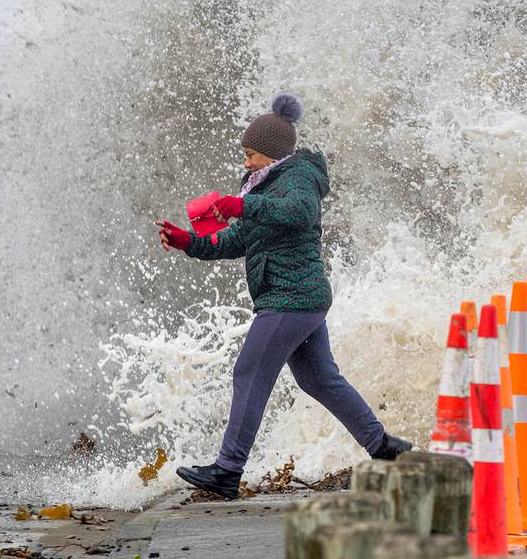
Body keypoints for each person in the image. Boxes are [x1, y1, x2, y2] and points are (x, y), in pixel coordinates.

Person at [155, 92, 412, 499]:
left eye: (251, 155)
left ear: (273, 153)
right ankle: (384, 446)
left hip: (291, 297)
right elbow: (236, 240)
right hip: (297, 298)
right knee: (319, 379)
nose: (246, 162)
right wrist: (189, 242)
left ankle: (227, 470)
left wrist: (243, 207)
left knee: (249, 373)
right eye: (245, 154)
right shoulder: (261, 186)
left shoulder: (299, 177)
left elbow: (300, 212)